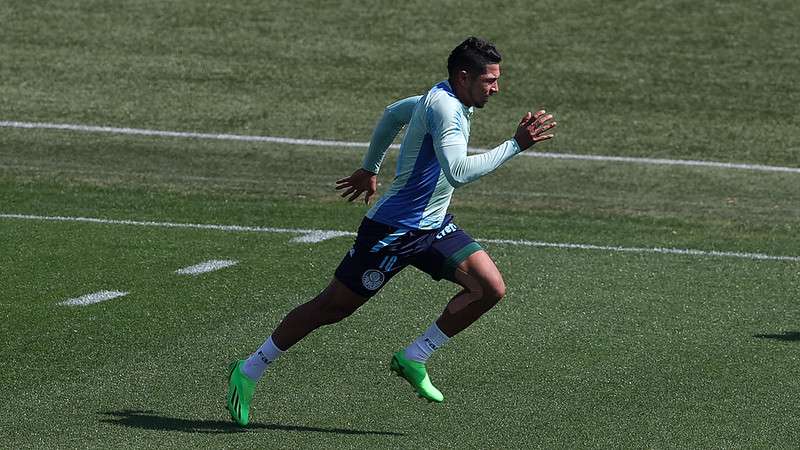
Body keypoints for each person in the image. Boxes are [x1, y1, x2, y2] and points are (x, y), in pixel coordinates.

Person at [226, 36, 557, 426]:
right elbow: (459, 172)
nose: (496, 88)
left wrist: (370, 167)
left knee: (489, 288)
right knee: (332, 307)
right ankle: (249, 369)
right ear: (464, 77)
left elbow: (392, 113)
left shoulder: (443, 99)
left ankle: (414, 357)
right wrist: (515, 145)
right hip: (393, 231)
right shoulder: (447, 109)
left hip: (433, 226)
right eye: (489, 80)